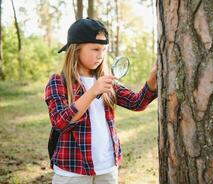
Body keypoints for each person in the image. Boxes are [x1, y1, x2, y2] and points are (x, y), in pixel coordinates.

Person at [44, 17, 157, 184]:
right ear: (76, 50)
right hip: (73, 170)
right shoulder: (58, 82)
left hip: (108, 167)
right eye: (95, 49)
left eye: (104, 50)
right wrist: (92, 92)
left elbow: (137, 103)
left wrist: (151, 81)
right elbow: (60, 122)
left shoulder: (106, 81)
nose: (100, 55)